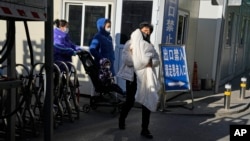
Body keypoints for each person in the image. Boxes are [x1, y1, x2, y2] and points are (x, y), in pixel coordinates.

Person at [117, 22, 160, 139]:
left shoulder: (149, 45)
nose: (147, 33)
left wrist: (149, 61)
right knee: (130, 101)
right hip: (132, 76)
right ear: (139, 30)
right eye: (145, 30)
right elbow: (128, 61)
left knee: (147, 101)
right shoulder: (129, 44)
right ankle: (122, 119)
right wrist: (145, 60)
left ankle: (145, 129)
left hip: (146, 77)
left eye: (149, 31)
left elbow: (157, 60)